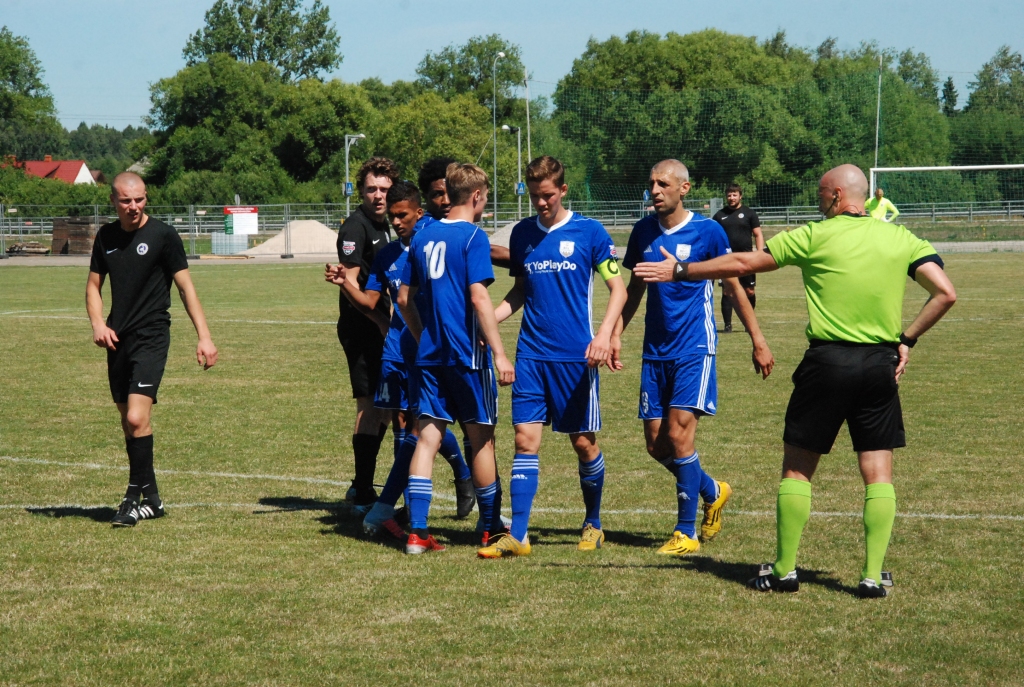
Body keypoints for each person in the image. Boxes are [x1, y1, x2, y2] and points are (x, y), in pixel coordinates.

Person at [634, 164, 956, 598]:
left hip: (826, 363)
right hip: (879, 365)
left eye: (821, 194)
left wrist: (681, 270)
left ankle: (784, 571)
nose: (818, 201)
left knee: (798, 470)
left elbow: (745, 261)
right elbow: (945, 293)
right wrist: (907, 339)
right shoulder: (902, 238)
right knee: (878, 474)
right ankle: (871, 576)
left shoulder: (814, 235)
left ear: (837, 195)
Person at [618, 160, 774, 557]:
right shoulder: (642, 231)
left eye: (663, 183)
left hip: (694, 347)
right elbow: (634, 290)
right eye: (651, 183)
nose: (655, 190)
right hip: (655, 351)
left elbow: (733, 287)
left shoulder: (708, 231)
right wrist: (613, 334)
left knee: (679, 435)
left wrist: (757, 340)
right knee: (656, 445)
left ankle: (685, 532)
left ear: (684, 188)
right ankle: (712, 490)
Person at [478, 156, 627, 558]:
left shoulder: (590, 232)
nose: (541, 203)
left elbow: (619, 289)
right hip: (531, 355)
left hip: (576, 357)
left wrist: (603, 335)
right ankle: (519, 535)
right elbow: (520, 292)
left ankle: (593, 522)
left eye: (547, 195)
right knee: (524, 440)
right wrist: (488, 322)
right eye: (534, 196)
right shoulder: (523, 233)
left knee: (583, 443)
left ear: (562, 190)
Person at [327, 181, 476, 538]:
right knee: (404, 421)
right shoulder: (387, 255)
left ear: (418, 213)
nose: (396, 222)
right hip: (398, 350)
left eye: (402, 215)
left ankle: (455, 477)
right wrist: (345, 283)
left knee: (423, 424)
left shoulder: (432, 241)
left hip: (434, 348)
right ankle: (409, 506)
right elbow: (369, 302)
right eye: (392, 217)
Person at [86, 172, 218, 527]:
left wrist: (204, 336)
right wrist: (98, 324)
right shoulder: (106, 236)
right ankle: (154, 501)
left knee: (136, 417)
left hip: (152, 337)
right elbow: (94, 286)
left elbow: (186, 287)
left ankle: (132, 498)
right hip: (117, 339)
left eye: (140, 199)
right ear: (113, 201)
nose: (134, 206)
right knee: (130, 424)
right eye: (126, 200)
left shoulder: (163, 235)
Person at [396, 163, 516, 555]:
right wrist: (500, 354)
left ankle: (417, 533)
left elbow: (404, 298)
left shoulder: (423, 236)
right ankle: (491, 529)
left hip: (431, 356)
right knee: (481, 440)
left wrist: (423, 337)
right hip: (467, 356)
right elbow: (479, 298)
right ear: (477, 196)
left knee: (428, 437)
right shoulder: (473, 237)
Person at [332, 157, 399, 514]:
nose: (378, 195)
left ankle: (361, 483)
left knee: (384, 409)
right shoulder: (355, 228)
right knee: (370, 405)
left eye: (384, 189)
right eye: (371, 189)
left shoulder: (386, 224)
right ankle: (362, 492)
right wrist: (379, 321)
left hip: (380, 325)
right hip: (362, 328)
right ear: (360, 191)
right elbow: (350, 284)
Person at [712, 184, 764, 333]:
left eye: (734, 195)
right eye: (729, 195)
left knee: (749, 291)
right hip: (726, 259)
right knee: (727, 291)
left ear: (740, 196)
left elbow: (758, 234)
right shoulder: (719, 215)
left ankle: (749, 323)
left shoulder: (749, 213)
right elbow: (713, 235)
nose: (731, 197)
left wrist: (760, 253)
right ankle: (727, 325)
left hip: (747, 259)